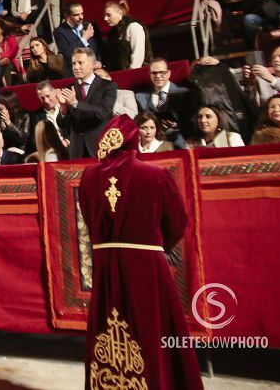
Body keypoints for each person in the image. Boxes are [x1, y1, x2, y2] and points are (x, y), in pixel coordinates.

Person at [79, 116, 203, 390]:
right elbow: (179, 221)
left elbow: (88, 219)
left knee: (109, 324)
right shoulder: (156, 175)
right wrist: (159, 245)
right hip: (146, 263)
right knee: (151, 328)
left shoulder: (88, 178)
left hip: (107, 263)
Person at [58, 48, 117, 159]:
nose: (76, 67)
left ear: (93, 64)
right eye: (74, 63)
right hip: (77, 150)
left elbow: (104, 113)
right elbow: (63, 125)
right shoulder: (69, 89)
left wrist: (75, 103)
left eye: (80, 63)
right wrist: (63, 108)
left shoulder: (108, 86)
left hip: (101, 147)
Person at [134, 58, 190, 146]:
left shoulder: (184, 93)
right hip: (153, 141)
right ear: (150, 74)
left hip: (180, 137)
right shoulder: (140, 97)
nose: (158, 76)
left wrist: (177, 124)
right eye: (154, 73)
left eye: (162, 72)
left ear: (169, 73)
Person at [54, 2, 101, 75]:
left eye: (82, 13)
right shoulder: (59, 32)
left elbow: (98, 47)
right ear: (67, 16)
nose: (81, 17)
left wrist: (99, 62)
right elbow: (68, 53)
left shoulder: (89, 25)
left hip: (95, 71)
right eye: (76, 15)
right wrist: (84, 38)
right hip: (75, 74)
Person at [102, 0, 151, 71]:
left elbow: (138, 55)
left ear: (120, 13)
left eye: (109, 15)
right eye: (105, 15)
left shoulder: (134, 27)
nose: (105, 19)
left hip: (134, 73)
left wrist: (130, 74)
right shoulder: (113, 33)